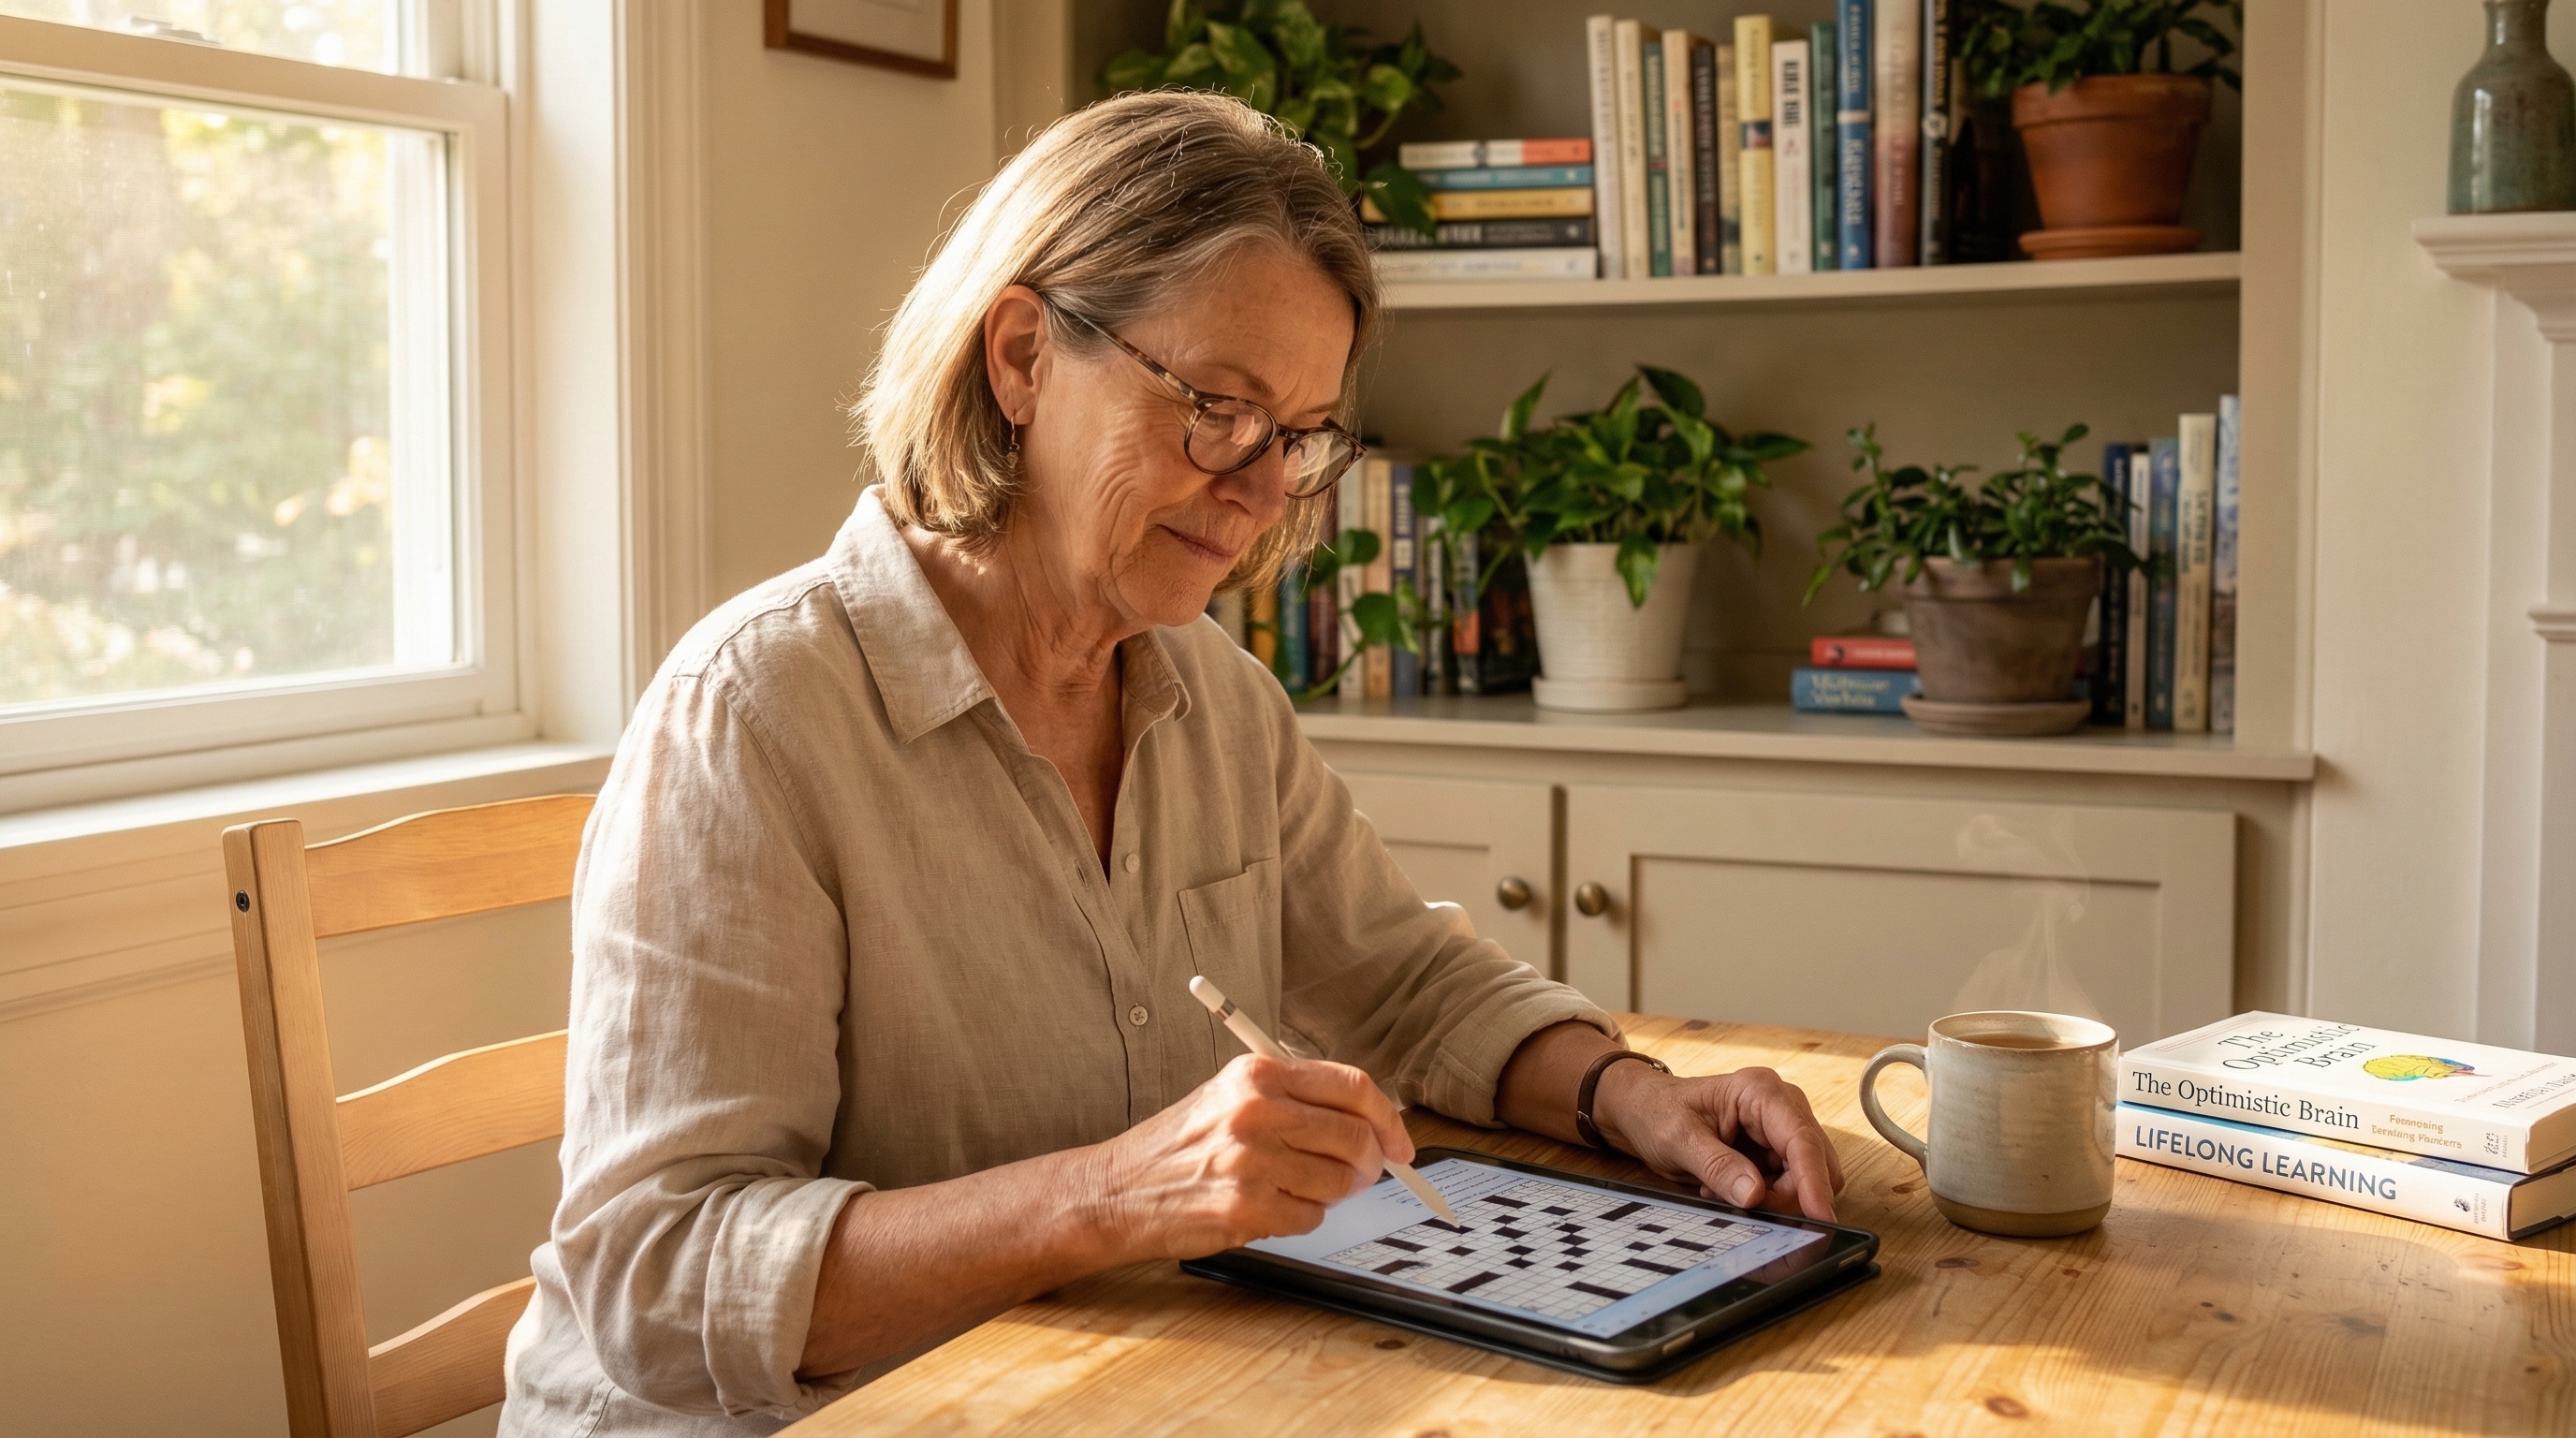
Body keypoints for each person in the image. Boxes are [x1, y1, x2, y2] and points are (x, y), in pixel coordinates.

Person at [500, 91, 1844, 1436]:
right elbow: (659, 1277)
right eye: (1219, 408)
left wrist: (1636, 1099)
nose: (1263, 496)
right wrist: (1110, 1197)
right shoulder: (754, 714)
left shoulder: (1213, 695)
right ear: (1022, 357)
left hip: (1095, 1393)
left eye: (1300, 435)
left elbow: (1403, 979)